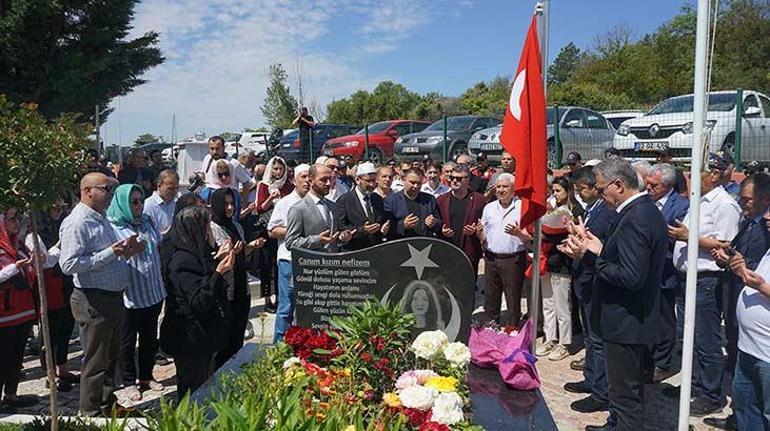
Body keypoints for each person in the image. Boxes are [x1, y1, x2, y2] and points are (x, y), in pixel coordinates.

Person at [560, 158, 667, 431]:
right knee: (621, 389)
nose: (599, 193)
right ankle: (614, 423)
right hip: (626, 319)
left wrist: (589, 258)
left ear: (618, 185)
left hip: (626, 321)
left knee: (625, 393)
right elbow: (627, 260)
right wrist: (598, 248)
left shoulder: (638, 217)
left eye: (601, 187)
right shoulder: (640, 211)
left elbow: (631, 277)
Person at [59, 173, 144, 416]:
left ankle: (107, 403)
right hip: (94, 300)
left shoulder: (100, 217)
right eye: (106, 189)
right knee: (96, 360)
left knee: (110, 356)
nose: (111, 194)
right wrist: (110, 253)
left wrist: (127, 250)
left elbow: (107, 254)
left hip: (112, 298)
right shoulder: (78, 222)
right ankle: (90, 412)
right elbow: (69, 264)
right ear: (87, 191)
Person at [669, 153, 742, 415]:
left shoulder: (724, 205)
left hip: (706, 281)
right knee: (688, 335)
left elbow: (728, 245)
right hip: (686, 280)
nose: (691, 177)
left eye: (697, 172)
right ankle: (694, 384)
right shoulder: (700, 200)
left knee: (706, 338)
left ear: (713, 174)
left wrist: (689, 237)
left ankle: (711, 394)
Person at [705, 173, 770, 430]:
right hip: (748, 342)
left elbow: (755, 274)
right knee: (746, 404)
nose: (766, 217)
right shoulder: (752, 226)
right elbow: (747, 263)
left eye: (747, 200)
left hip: (765, 351)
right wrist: (729, 259)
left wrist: (756, 281)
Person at [160, 206, 233, 400]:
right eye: (206, 228)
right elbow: (199, 301)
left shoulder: (195, 253)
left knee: (203, 384)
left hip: (202, 338)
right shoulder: (182, 260)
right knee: (193, 390)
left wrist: (217, 257)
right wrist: (219, 272)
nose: (210, 232)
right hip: (190, 339)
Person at [561, 167, 617, 414]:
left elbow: (602, 245)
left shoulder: (606, 212)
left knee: (597, 337)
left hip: (596, 279)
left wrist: (583, 243)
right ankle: (591, 378)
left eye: (582, 189)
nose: (580, 194)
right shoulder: (591, 210)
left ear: (595, 188)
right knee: (590, 335)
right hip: (585, 278)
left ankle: (601, 391)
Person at [107, 184, 166, 401]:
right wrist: (130, 250)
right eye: (133, 202)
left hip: (152, 289)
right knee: (128, 339)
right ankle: (129, 381)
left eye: (141, 200)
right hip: (130, 293)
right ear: (123, 203)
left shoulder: (147, 222)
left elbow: (157, 243)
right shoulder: (114, 226)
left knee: (150, 336)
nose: (139, 205)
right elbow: (113, 257)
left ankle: (146, 375)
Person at [26, 200, 78, 392]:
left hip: (66, 281)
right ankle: (49, 373)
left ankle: (62, 367)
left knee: (66, 325)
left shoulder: (62, 225)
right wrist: (59, 244)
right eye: (55, 207)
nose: (59, 210)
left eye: (62, 207)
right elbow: (45, 261)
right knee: (50, 330)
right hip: (49, 285)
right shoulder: (35, 234)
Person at [209, 188, 265, 367]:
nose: (229, 208)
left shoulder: (236, 225)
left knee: (238, 331)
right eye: (225, 204)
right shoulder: (212, 228)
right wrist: (229, 252)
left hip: (241, 284)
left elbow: (242, 253)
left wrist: (251, 246)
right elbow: (213, 258)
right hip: (225, 288)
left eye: (232, 203)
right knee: (225, 335)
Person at [645, 163, 689, 383]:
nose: (648, 187)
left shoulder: (681, 206)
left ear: (667, 186)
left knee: (664, 319)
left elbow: (679, 239)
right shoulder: (645, 201)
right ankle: (648, 358)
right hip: (645, 271)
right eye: (648, 183)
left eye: (653, 185)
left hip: (666, 272)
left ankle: (663, 363)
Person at [536, 176, 583, 361]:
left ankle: (564, 342)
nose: (555, 194)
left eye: (558, 191)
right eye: (553, 191)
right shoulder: (550, 208)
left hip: (563, 262)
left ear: (568, 191)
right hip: (547, 259)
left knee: (562, 304)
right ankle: (550, 338)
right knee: (547, 302)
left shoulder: (575, 210)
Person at [0, 208, 40, 411]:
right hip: (4, 315)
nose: (17, 222)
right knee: (2, 358)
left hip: (23, 311)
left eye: (18, 218)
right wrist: (15, 267)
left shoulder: (18, 244)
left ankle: (11, 394)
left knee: (16, 357)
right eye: (11, 218)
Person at [476, 173, 528, 326]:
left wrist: (519, 233)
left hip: (513, 259)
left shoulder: (521, 207)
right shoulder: (489, 208)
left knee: (513, 297)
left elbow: (530, 236)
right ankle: (492, 328)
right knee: (491, 297)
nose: (500, 190)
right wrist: (479, 233)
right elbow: (484, 235)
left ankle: (512, 329)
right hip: (491, 258)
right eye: (498, 187)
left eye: (505, 186)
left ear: (513, 189)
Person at [728, 246, 770, 431]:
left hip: (767, 356)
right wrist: (742, 268)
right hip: (748, 348)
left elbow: (762, 285)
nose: (767, 216)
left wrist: (762, 287)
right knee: (746, 408)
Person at [268, 164, 311, 342]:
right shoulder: (285, 203)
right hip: (289, 260)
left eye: (310, 177)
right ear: (294, 180)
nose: (307, 181)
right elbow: (271, 230)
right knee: (286, 306)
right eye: (303, 177)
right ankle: (279, 344)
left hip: (310, 260)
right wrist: (295, 231)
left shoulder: (316, 202)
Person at [285, 164, 355, 255]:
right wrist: (317, 240)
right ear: (311, 181)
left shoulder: (333, 206)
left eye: (330, 179)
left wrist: (342, 238)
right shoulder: (298, 209)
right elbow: (291, 243)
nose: (328, 183)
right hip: (311, 265)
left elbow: (333, 239)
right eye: (323, 180)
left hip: (332, 264)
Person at [255, 157, 294, 312]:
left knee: (280, 266)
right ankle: (266, 299)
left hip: (284, 230)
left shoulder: (289, 186)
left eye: (280, 169)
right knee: (266, 265)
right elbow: (260, 208)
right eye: (275, 168)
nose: (278, 172)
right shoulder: (264, 185)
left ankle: (279, 297)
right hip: (267, 229)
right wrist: (272, 197)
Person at [437, 165, 485, 275]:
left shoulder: (479, 200)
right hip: (448, 252)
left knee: (468, 286)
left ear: (467, 180)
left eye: (458, 179)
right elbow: (437, 224)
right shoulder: (441, 201)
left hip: (470, 251)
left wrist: (475, 230)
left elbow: (484, 224)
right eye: (451, 178)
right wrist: (441, 230)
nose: (454, 181)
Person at [337, 162, 390, 251]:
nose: (372, 185)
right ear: (358, 180)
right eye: (368, 181)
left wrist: (384, 230)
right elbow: (341, 226)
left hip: (375, 250)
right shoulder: (345, 200)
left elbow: (382, 222)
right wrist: (362, 230)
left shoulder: (377, 199)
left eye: (374, 181)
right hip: (354, 252)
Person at [384, 168, 442, 239]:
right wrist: (403, 225)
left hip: (425, 243)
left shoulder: (430, 199)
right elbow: (387, 226)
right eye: (412, 182)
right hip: (401, 243)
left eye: (419, 183)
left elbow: (439, 222)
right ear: (404, 180)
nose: (415, 186)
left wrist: (434, 222)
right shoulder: (391, 200)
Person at [143, 169, 179, 236]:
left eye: (177, 188)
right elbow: (146, 235)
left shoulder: (177, 203)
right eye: (170, 188)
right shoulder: (148, 206)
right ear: (159, 186)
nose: (174, 191)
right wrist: (165, 234)